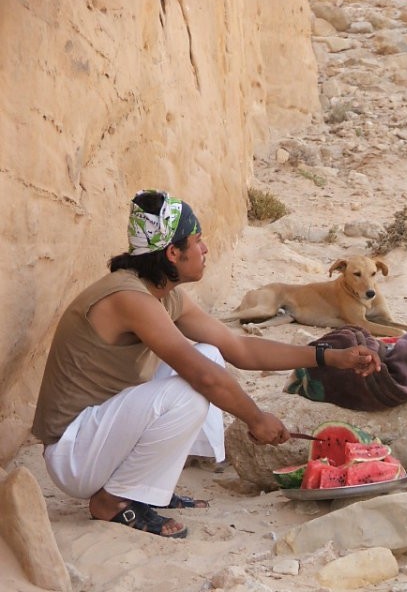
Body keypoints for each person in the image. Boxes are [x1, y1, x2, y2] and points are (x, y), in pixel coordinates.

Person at [32, 189, 381, 539]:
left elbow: (238, 348)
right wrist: (256, 418)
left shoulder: (163, 295)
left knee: (210, 354)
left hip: (101, 435)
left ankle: (148, 485)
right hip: (73, 453)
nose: (205, 249)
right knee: (193, 387)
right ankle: (111, 501)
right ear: (173, 253)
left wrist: (328, 356)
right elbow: (202, 376)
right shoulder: (129, 298)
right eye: (197, 241)